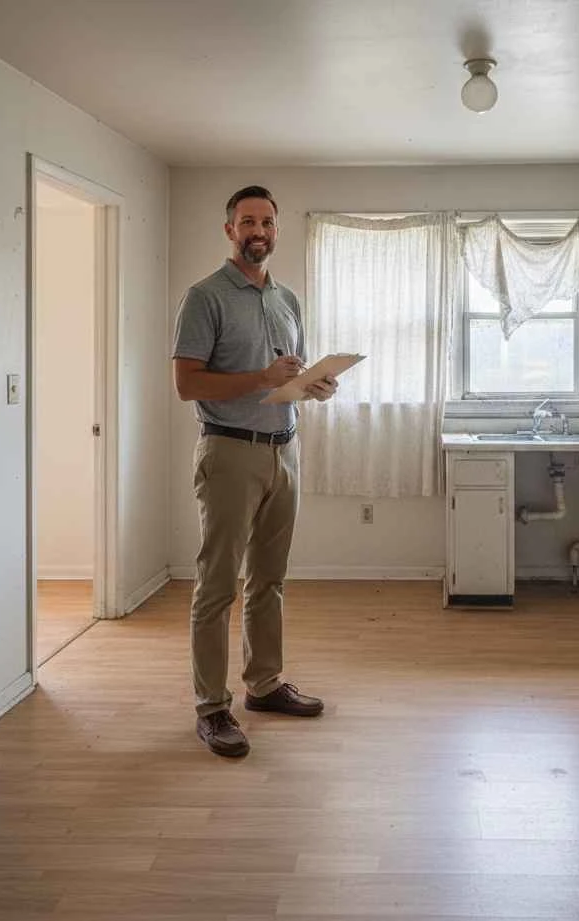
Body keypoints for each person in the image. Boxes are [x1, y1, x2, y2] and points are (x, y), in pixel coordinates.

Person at [172, 185, 336, 758]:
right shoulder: (204, 297)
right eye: (247, 221)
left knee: (269, 580)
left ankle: (263, 686)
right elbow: (188, 384)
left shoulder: (287, 299)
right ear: (229, 230)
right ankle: (212, 708)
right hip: (229, 453)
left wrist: (312, 386)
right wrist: (262, 379)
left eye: (267, 221)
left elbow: (285, 376)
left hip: (284, 449)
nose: (258, 231)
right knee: (217, 585)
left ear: (276, 229)